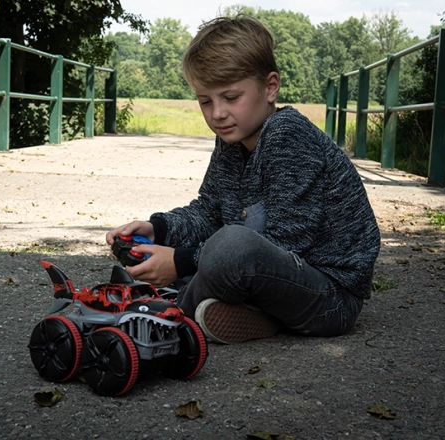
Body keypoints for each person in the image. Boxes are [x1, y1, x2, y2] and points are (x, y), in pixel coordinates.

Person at [105, 15, 380, 344]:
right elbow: (209, 211)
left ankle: (167, 317)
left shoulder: (287, 134)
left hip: (329, 296)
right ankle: (250, 314)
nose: (217, 113)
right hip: (273, 281)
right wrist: (158, 229)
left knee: (230, 247)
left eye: (231, 98)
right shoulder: (232, 140)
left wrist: (180, 261)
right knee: (211, 250)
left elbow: (286, 243)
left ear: (270, 87)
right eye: (205, 101)